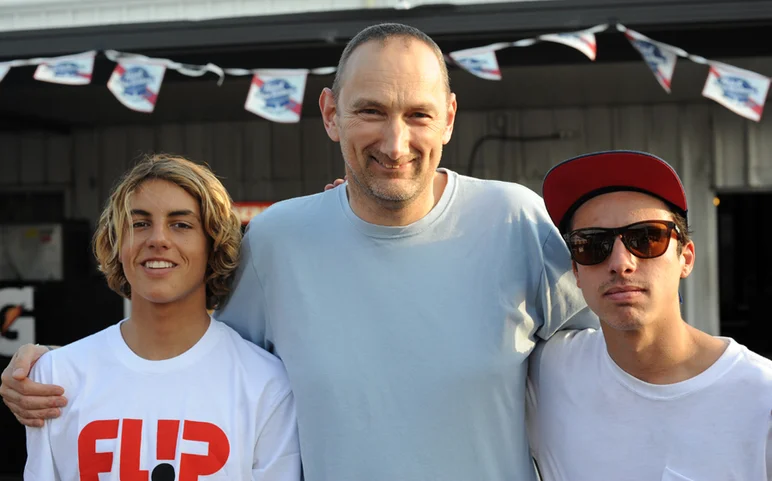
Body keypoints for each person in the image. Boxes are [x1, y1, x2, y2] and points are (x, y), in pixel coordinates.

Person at [2, 24, 596, 481]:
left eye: (418, 114)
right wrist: (63, 367)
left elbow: (608, 357)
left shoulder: (516, 220)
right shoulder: (280, 241)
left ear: (449, 119)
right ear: (331, 114)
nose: (396, 142)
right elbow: (189, 357)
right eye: (370, 111)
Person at [22, 155, 300, 480]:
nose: (157, 239)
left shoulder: (266, 384)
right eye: (139, 224)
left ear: (214, 244)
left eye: (181, 224)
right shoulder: (56, 378)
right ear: (116, 243)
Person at [527, 150, 772, 481]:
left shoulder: (761, 399)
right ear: (576, 271)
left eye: (646, 238)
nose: (621, 262)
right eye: (592, 245)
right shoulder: (548, 372)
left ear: (685, 257)